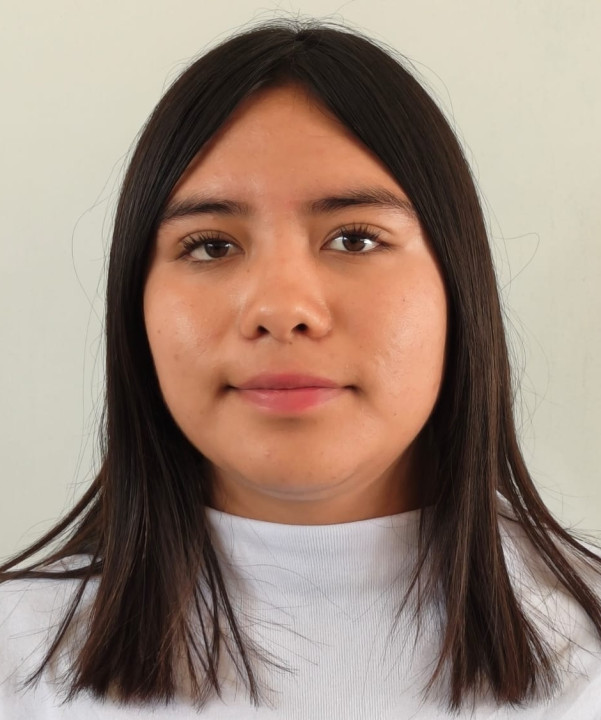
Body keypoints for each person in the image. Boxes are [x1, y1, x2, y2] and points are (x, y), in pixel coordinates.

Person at [1, 18, 600, 719]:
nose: (282, 309)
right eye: (211, 246)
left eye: (355, 238)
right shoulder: (18, 660)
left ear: (458, 287)